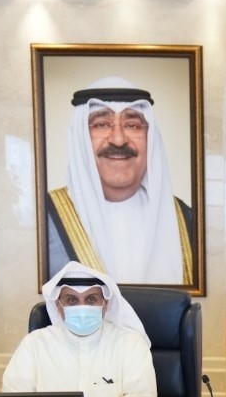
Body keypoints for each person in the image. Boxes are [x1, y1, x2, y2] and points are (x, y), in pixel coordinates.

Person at [44, 77, 195, 285]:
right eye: (101, 124)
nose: (118, 139)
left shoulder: (188, 221)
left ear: (150, 137)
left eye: (132, 125)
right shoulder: (44, 220)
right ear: (81, 137)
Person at [3, 262, 158, 397]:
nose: (82, 307)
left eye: (91, 299)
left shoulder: (130, 343)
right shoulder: (34, 344)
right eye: (72, 300)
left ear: (105, 304)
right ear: (58, 306)